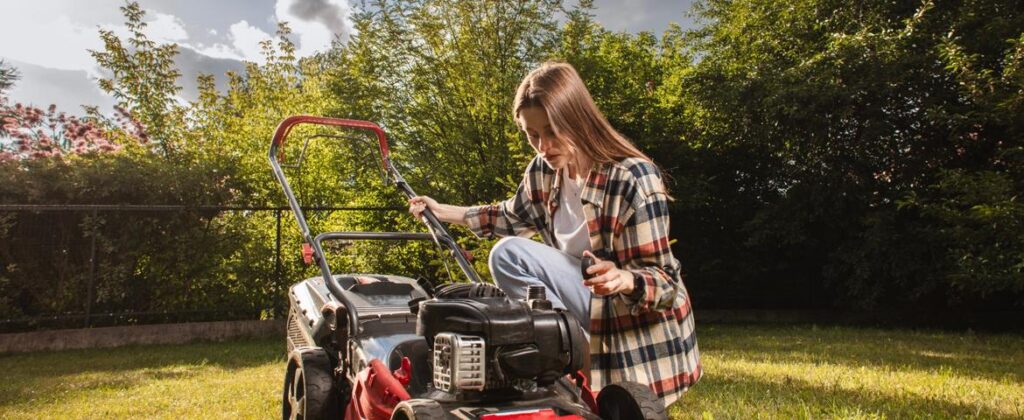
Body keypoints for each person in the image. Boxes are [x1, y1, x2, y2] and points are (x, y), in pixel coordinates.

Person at [407, 62, 701, 406]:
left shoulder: (633, 177)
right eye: (533, 135)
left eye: (551, 131)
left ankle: (574, 364)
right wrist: (442, 210)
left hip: (629, 318)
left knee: (625, 406)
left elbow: (665, 283)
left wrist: (622, 278)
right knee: (507, 253)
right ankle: (564, 358)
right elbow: (510, 217)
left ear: (577, 118)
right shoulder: (544, 172)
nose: (543, 147)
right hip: (584, 303)